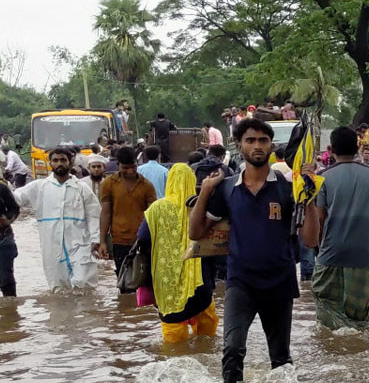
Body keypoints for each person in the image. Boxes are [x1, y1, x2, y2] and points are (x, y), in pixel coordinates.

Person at [189, 118, 320, 383]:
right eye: (250, 140)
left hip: (279, 282)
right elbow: (195, 233)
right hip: (241, 283)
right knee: (232, 350)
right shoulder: (227, 188)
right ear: (239, 146)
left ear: (272, 146)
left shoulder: (287, 188)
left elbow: (311, 239)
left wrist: (309, 194)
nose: (257, 146)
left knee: (281, 359)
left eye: (263, 140)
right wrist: (205, 192)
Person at [312, 127, 369, 330]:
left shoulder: (323, 177)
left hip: (330, 254)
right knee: (359, 316)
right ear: (357, 147)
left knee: (326, 314)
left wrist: (318, 249)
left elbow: (320, 218)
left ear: (331, 149)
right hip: (362, 257)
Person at [137, 164, 218, 343]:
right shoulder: (201, 207)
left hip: (167, 283)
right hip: (200, 281)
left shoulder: (156, 209)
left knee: (174, 339)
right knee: (207, 335)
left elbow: (142, 239)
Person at [13, 147, 102, 291]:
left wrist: (95, 239)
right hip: (52, 245)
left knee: (85, 285)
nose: (59, 163)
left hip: (80, 243)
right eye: (55, 160)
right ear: (50, 163)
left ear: (70, 162)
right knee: (58, 289)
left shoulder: (81, 188)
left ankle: (86, 313)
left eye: (63, 160)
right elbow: (17, 198)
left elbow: (94, 214)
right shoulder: (39, 187)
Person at [99, 146, 157, 284]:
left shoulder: (147, 186)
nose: (130, 171)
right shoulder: (109, 184)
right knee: (123, 279)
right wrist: (102, 242)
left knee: (144, 279)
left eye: (133, 167)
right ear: (118, 165)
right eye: (125, 168)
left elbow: (153, 214)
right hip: (119, 240)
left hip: (142, 240)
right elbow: (106, 213)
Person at [0, 158, 20, 296]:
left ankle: (11, 312)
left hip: (4, 238)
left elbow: (14, 208)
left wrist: (7, 219)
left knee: (6, 278)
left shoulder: (1, 188)